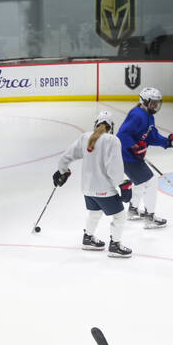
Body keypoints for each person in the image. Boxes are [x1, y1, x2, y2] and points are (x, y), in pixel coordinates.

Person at [52, 110, 134, 258]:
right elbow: (113, 167)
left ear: (96, 124)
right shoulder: (112, 140)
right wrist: (123, 184)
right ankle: (115, 245)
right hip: (104, 189)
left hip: (87, 188)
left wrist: (62, 170)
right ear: (111, 126)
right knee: (120, 216)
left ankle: (88, 238)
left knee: (95, 213)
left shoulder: (85, 137)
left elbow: (67, 155)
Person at [115, 87, 173, 229]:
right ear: (144, 101)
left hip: (132, 158)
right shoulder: (137, 114)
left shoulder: (148, 116)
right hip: (126, 157)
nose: (155, 106)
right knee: (151, 181)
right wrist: (134, 146)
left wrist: (169, 142)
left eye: (157, 103)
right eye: (153, 102)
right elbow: (122, 135)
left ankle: (133, 210)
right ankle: (149, 217)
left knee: (141, 183)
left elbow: (152, 136)